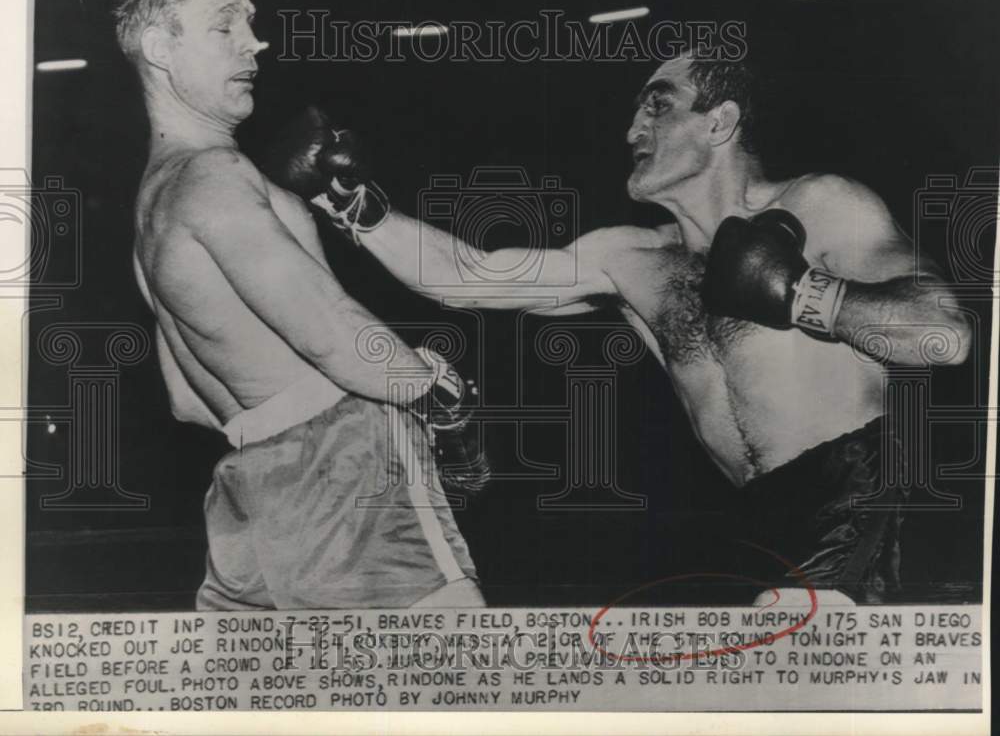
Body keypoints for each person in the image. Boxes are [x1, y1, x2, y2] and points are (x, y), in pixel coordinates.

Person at [270, 51, 972, 605]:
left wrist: (808, 293)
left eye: (656, 107)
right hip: (757, 521)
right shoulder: (632, 259)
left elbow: (947, 334)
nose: (631, 130)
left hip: (861, 488)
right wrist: (354, 207)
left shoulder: (820, 203)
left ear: (720, 121)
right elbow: (472, 276)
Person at [108, 0, 483, 610]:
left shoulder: (150, 208)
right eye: (226, 26)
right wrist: (441, 392)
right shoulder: (217, 177)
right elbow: (333, 332)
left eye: (249, 20)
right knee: (459, 695)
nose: (256, 43)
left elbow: (186, 399)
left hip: (248, 490)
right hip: (347, 467)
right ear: (160, 46)